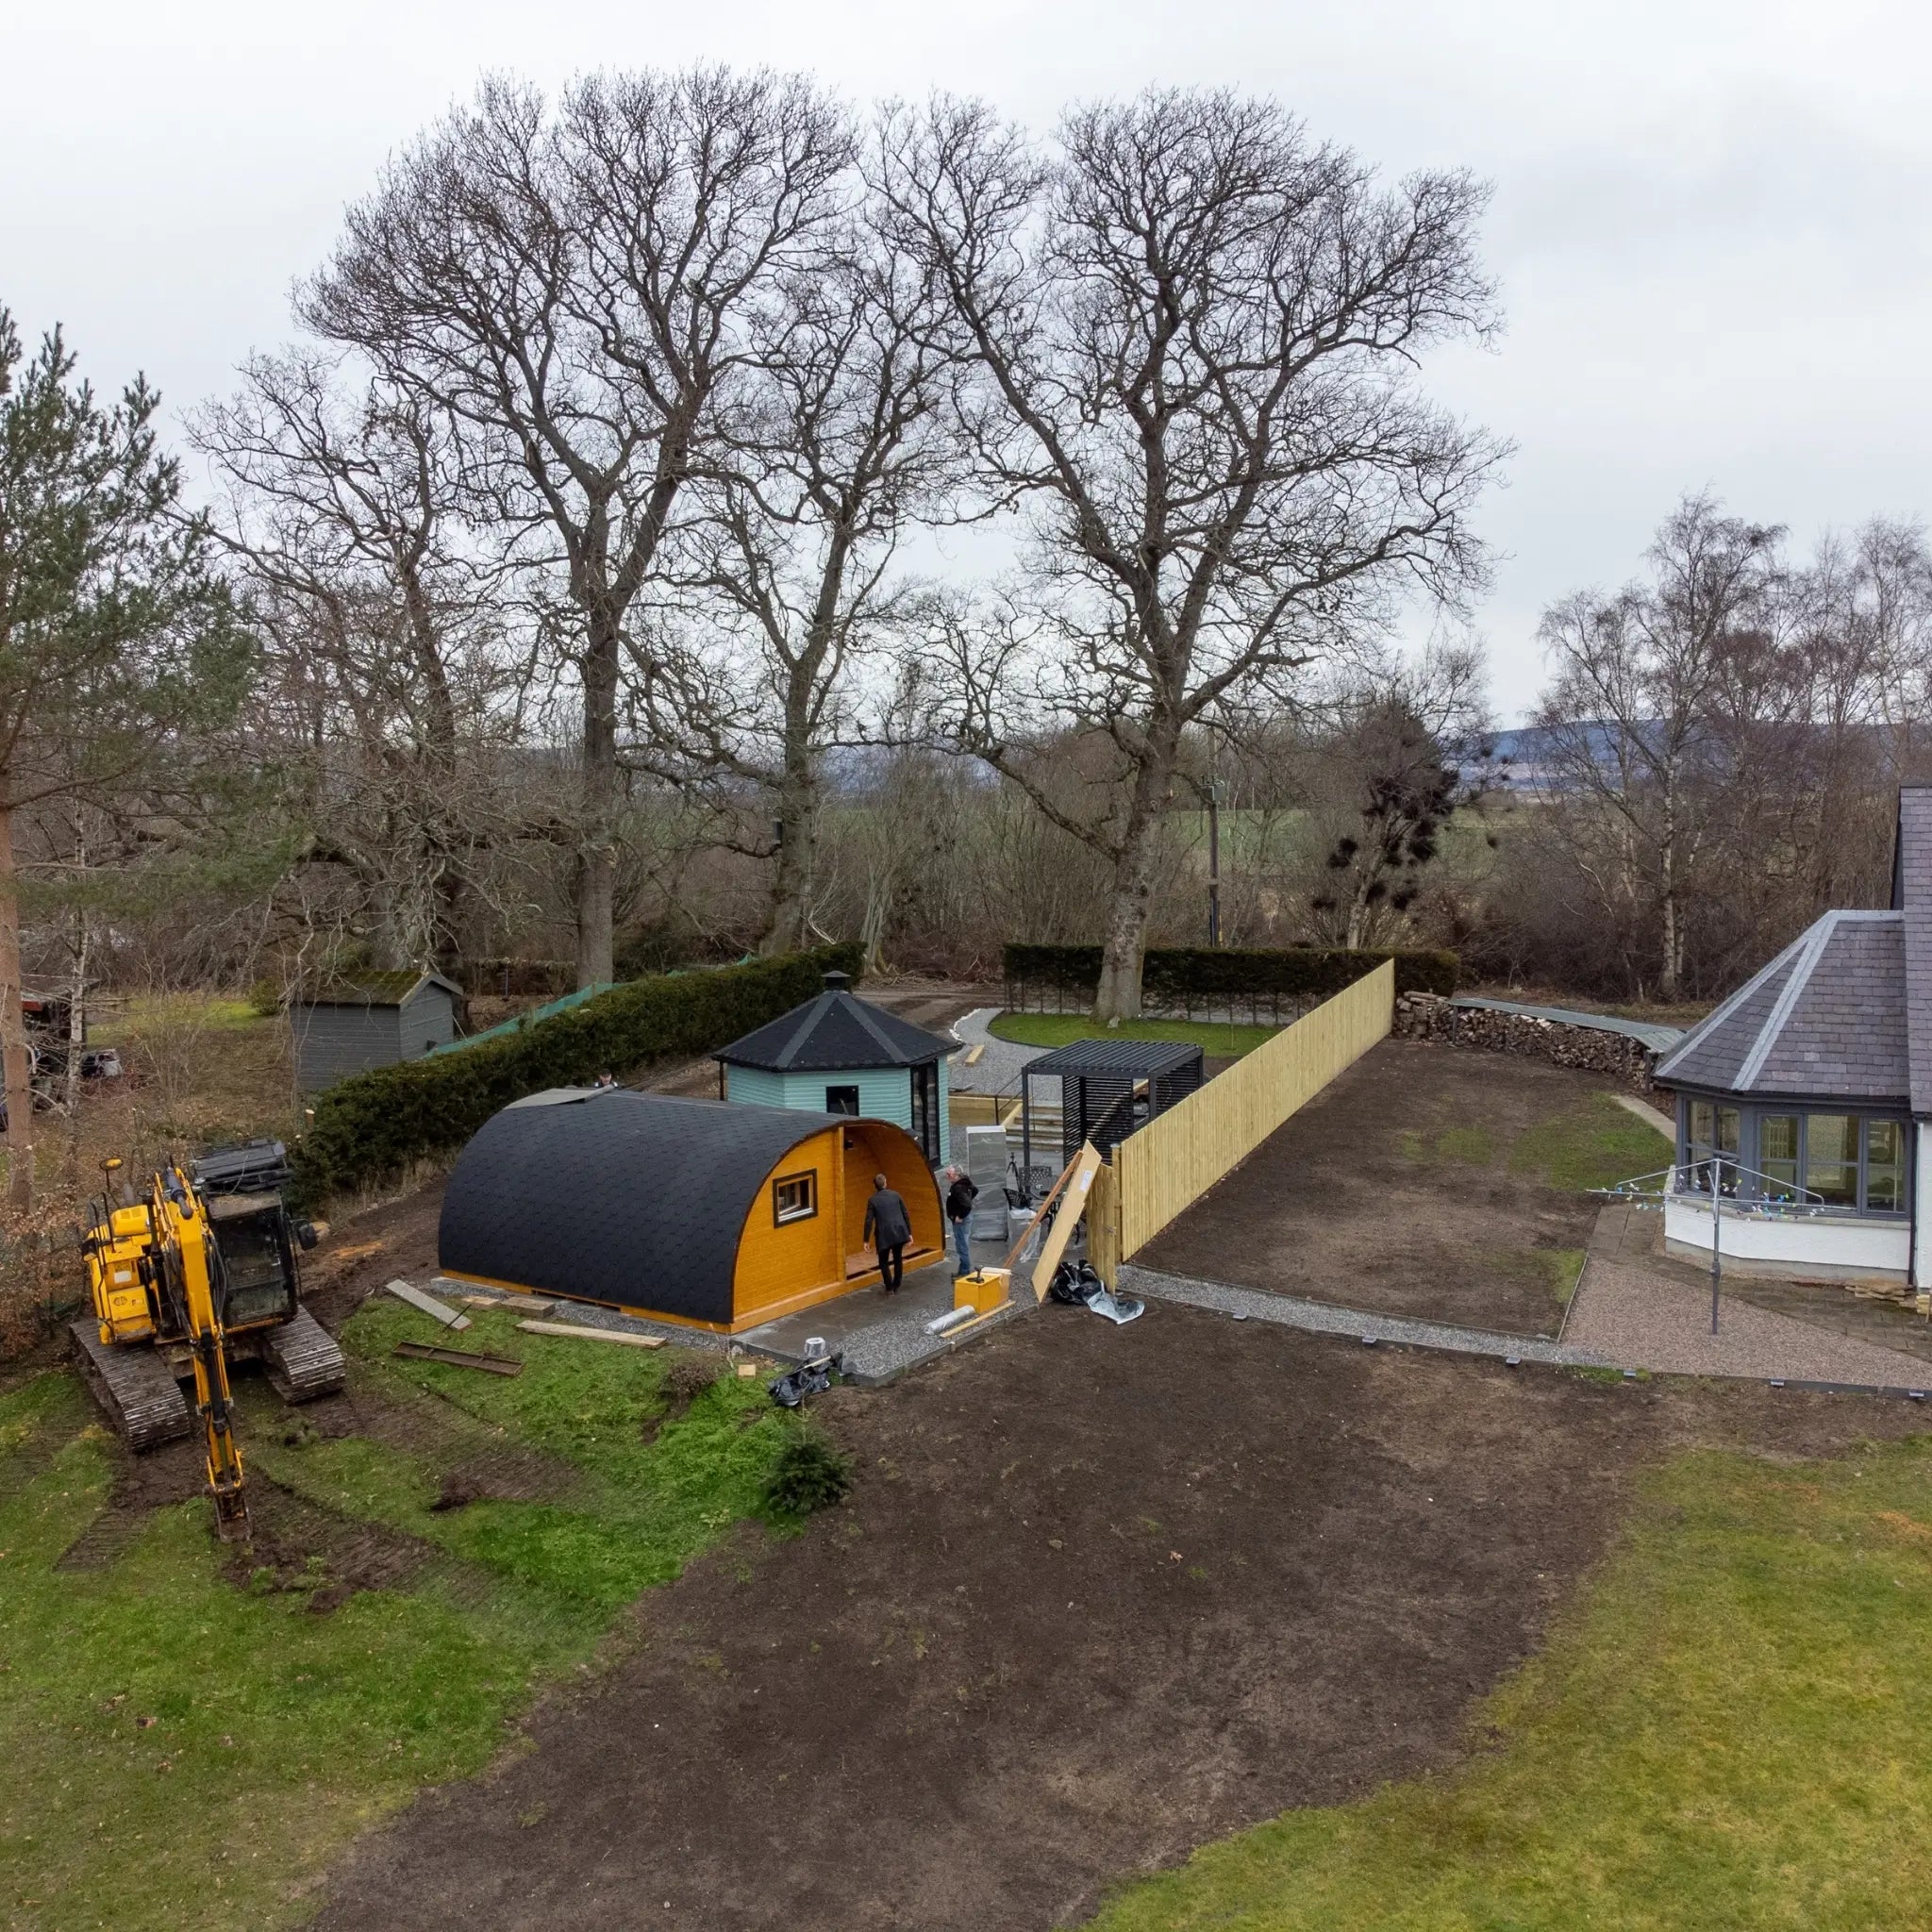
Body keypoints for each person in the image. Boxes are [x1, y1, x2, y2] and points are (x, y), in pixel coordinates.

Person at [861, 1173, 912, 1293]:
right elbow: (906, 1214)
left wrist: (866, 1239)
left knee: (883, 1261)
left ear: (875, 1186)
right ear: (885, 1183)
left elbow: (869, 1221)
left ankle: (889, 1287)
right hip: (899, 1232)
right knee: (898, 1258)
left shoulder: (872, 1200)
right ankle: (897, 1285)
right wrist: (909, 1233)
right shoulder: (896, 1195)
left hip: (883, 1235)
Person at [942, 1164, 978, 1278]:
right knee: (963, 1243)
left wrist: (960, 1216)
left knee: (962, 1245)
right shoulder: (965, 1183)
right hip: (965, 1218)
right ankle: (963, 1269)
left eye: (949, 1174)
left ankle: (964, 1271)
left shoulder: (958, 1188)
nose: (947, 1176)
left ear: (956, 1175)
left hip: (961, 1221)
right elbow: (975, 1190)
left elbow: (967, 1205)